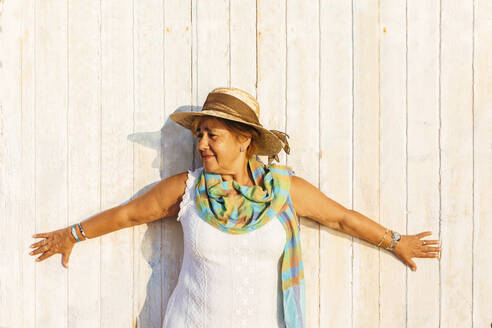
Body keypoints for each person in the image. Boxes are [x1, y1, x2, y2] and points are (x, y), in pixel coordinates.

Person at [29, 87, 441, 327]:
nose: (202, 144)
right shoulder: (187, 189)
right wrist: (72, 235)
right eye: (199, 134)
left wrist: (396, 241)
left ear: (245, 140)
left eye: (213, 135)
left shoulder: (283, 190)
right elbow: (128, 214)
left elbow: (341, 218)